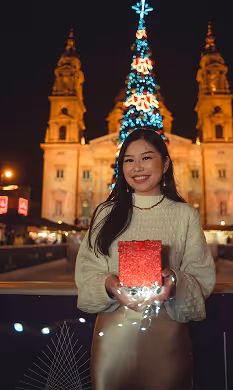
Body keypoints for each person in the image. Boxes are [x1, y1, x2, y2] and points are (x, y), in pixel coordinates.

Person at [75, 128, 216, 390]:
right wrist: (113, 286)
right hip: (113, 340)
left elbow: (201, 277)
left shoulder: (185, 215)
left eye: (147, 158)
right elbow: (86, 273)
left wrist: (173, 279)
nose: (137, 167)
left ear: (165, 163)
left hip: (168, 338)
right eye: (128, 160)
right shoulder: (106, 213)